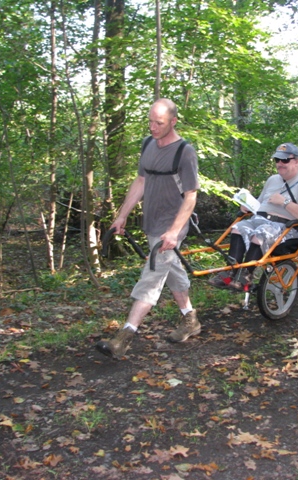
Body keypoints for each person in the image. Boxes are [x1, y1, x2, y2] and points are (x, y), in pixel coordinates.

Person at [95, 98, 200, 359]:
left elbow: (191, 195)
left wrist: (175, 231)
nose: (153, 127)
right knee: (172, 270)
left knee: (153, 274)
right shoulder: (148, 145)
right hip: (152, 222)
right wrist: (121, 216)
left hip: (173, 223)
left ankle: (124, 336)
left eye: (159, 123)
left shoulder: (185, 152)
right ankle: (190, 319)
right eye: (150, 121)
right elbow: (141, 180)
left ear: (173, 122)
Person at [209, 143, 298, 290]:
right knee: (238, 228)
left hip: (285, 226)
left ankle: (246, 276)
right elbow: (259, 203)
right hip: (259, 218)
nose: (280, 163)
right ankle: (230, 272)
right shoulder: (273, 179)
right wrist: (248, 206)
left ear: (297, 161)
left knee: (261, 233)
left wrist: (285, 202)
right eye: (277, 160)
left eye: (285, 160)